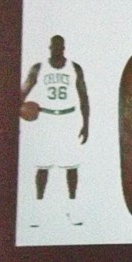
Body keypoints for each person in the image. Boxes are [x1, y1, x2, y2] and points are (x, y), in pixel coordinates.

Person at [20, 35, 90, 227]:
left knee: (71, 167)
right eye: (54, 46)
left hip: (68, 119)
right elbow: (22, 92)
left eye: (60, 46)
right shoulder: (38, 68)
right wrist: (19, 110)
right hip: (46, 119)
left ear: (64, 48)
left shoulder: (74, 68)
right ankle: (38, 211)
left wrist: (86, 124)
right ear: (49, 47)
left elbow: (84, 97)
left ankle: (72, 208)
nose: (57, 49)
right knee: (42, 167)